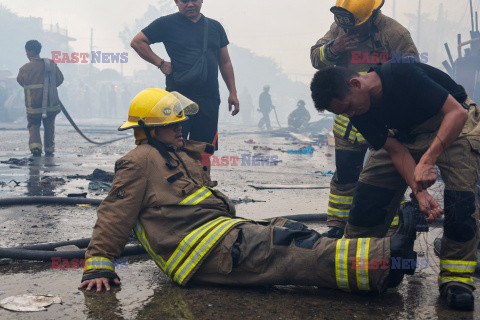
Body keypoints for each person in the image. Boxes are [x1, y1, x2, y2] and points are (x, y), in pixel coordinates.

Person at [78, 88, 418, 295]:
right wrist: (98, 264)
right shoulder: (138, 161)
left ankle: (381, 258)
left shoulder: (173, 154)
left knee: (291, 232)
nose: (181, 129)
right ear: (149, 129)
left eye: (181, 122)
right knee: (290, 249)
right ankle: (386, 261)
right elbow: (115, 213)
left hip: (221, 238)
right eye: (172, 124)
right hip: (203, 253)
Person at [310, 61, 480, 310]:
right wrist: (419, 193)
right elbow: (396, 150)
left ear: (355, 84)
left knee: (461, 202)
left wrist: (427, 160)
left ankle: (456, 279)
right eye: (343, 113)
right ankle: (364, 265)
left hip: (453, 124)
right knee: (368, 198)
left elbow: (456, 113)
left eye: (348, 107)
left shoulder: (402, 72)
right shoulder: (357, 110)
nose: (350, 115)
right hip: (404, 135)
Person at [310, 0, 417, 238]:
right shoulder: (339, 29)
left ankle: (390, 229)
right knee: (345, 176)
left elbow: (412, 74)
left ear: (373, 16)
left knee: (385, 177)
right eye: (346, 28)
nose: (350, 32)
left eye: (356, 27)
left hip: (383, 120)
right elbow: (316, 59)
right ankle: (338, 225)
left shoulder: (395, 34)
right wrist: (333, 48)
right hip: (348, 121)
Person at [130, 0, 239, 150]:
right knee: (173, 145)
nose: (190, 4)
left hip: (209, 98)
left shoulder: (215, 27)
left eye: (194, 0)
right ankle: (176, 174)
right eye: (184, 1)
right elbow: (137, 42)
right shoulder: (166, 24)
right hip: (177, 99)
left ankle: (203, 174)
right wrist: (161, 63)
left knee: (205, 148)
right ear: (176, 2)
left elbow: (225, 62)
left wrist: (232, 92)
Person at [17, 40, 64, 157]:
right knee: (49, 125)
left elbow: (20, 81)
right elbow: (60, 79)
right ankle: (49, 149)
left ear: (31, 51)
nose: (27, 54)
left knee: (33, 125)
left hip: (34, 106)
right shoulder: (51, 64)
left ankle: (36, 148)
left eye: (27, 52)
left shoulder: (25, 69)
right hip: (50, 103)